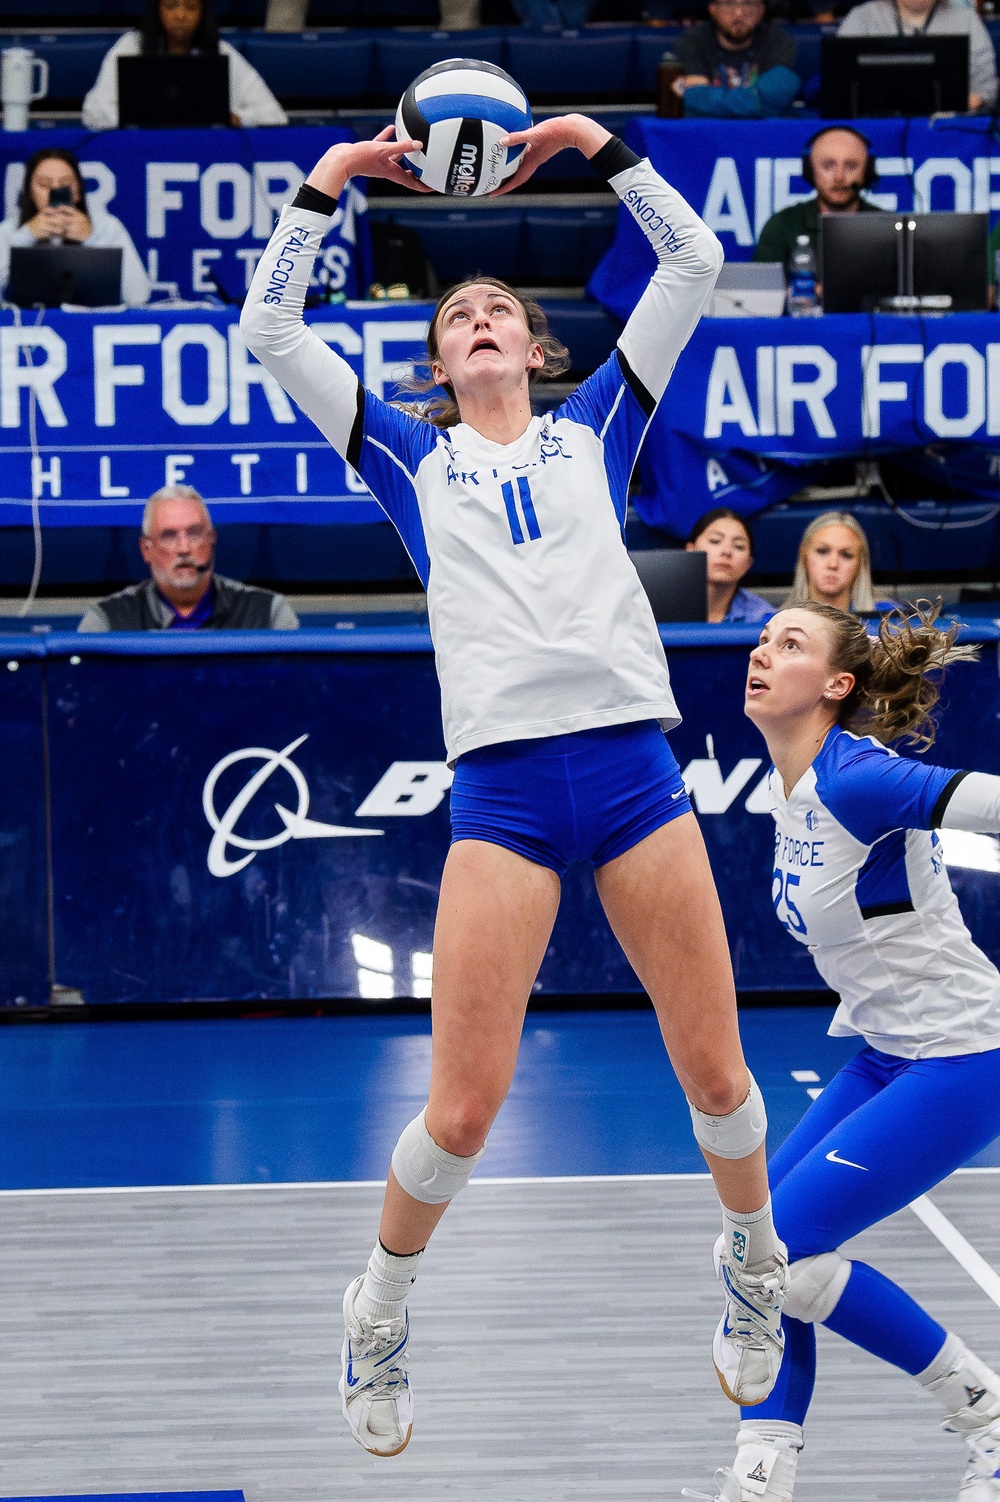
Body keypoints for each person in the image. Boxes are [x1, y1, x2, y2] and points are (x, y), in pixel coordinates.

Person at [242, 116, 790, 1458]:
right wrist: (340, 178)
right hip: (502, 793)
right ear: (437, 361)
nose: (482, 317)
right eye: (458, 313)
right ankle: (376, 1306)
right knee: (465, 1107)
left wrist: (588, 144)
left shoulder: (601, 421)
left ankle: (755, 1271)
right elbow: (268, 329)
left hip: (630, 770)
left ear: (536, 350)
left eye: (501, 307)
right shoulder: (407, 461)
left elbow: (697, 253)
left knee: (716, 1069)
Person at [684, 600, 1000, 1501]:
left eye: (790, 644)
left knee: (787, 1253)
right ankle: (762, 1473)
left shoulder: (857, 778)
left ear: (835, 685)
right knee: (750, 1250)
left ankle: (989, 1422)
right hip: (882, 1050)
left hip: (961, 1056)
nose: (761, 653)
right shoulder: (794, 784)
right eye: (761, 639)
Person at [77, 486, 299, 631]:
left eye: (194, 533)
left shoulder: (268, 616)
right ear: (146, 549)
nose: (184, 548)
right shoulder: (107, 623)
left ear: (212, 540)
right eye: (169, 536)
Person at [82, 0, 287, 130]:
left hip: (207, 148)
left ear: (202, 13)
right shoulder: (131, 46)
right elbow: (93, 112)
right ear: (157, 10)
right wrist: (133, 116)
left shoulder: (221, 52)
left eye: (190, 7)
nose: (180, 15)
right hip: (144, 145)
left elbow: (275, 115)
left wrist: (239, 118)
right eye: (171, 6)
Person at [0, 148, 150, 308]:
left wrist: (92, 239)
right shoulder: (8, 230)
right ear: (29, 192)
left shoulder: (106, 227)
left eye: (65, 184)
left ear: (78, 191)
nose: (55, 191)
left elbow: (138, 296)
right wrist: (24, 237)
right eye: (44, 184)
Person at [754, 127, 882, 273]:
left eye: (851, 166)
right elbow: (763, 292)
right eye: (828, 166)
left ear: (867, 170)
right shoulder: (782, 225)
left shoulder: (887, 227)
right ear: (810, 170)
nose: (839, 177)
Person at [837, 0, 997, 112]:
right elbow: (838, 84)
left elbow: (986, 88)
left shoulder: (966, 20)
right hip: (872, 125)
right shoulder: (861, 18)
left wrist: (957, 106)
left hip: (948, 126)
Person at [673, 0, 800, 118]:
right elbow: (695, 99)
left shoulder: (778, 39)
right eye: (729, 4)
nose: (739, 14)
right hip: (710, 132)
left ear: (761, 10)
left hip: (760, 132)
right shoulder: (693, 40)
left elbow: (778, 94)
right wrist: (756, 101)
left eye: (749, 4)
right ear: (713, 9)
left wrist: (711, 101)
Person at [784, 511, 892, 616]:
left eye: (846, 555)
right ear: (803, 554)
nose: (833, 564)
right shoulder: (774, 624)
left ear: (860, 563)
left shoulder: (890, 620)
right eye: (822, 551)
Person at [686, 508, 773, 624]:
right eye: (715, 541)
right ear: (690, 550)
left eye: (738, 546)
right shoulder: (656, 608)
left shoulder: (765, 619)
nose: (726, 551)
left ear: (748, 563)